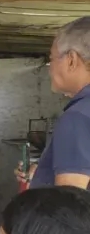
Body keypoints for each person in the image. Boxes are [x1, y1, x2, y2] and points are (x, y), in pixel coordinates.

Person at [27, 17, 90, 188]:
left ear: (71, 60)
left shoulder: (78, 116)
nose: (50, 68)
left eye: (52, 59)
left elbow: (70, 202)